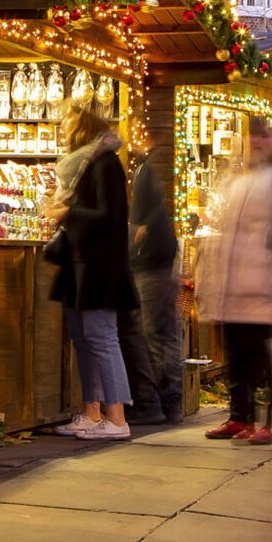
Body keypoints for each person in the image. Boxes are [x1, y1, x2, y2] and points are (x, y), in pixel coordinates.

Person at [193, 117, 272, 445]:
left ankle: (266, 420)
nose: (253, 147)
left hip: (260, 277)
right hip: (234, 279)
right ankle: (240, 416)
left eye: (259, 141)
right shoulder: (242, 181)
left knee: (260, 350)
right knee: (237, 350)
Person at [44, 103, 139, 440]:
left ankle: (117, 419)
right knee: (84, 340)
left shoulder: (104, 163)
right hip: (80, 265)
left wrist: (66, 211)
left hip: (99, 266)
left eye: (66, 120)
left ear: (83, 125)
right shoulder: (82, 166)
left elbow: (108, 215)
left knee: (101, 338)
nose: (61, 126)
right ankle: (92, 412)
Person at [128, 139, 183, 421]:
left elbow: (140, 226)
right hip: (161, 262)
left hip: (151, 264)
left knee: (153, 335)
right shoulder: (152, 171)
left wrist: (133, 244)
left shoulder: (146, 172)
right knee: (166, 334)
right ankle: (171, 402)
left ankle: (157, 403)